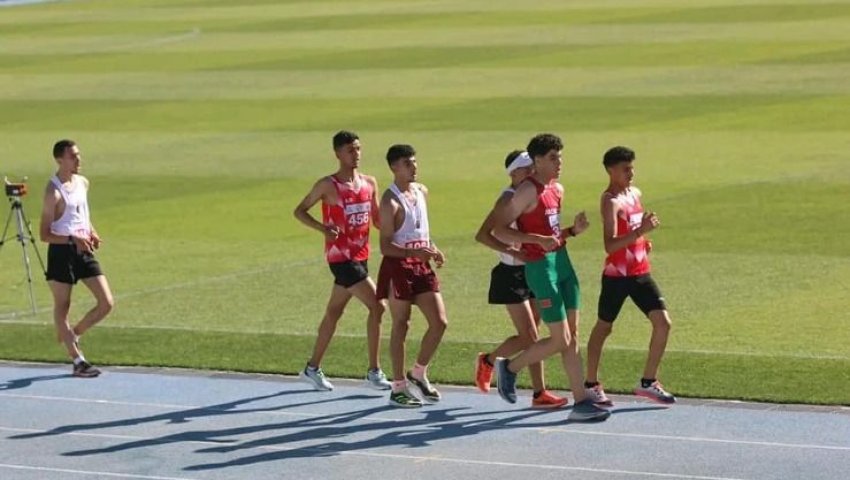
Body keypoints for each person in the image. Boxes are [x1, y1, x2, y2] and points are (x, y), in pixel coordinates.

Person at [491, 133, 610, 422]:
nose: (560, 163)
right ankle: (509, 368)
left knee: (572, 336)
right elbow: (499, 230)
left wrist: (572, 231)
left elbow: (551, 233)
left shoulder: (556, 189)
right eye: (553, 158)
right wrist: (534, 240)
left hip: (563, 262)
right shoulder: (526, 192)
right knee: (560, 339)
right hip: (541, 269)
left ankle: (580, 402)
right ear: (538, 161)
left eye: (561, 157)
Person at [292, 130, 391, 391]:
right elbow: (299, 211)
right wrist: (322, 228)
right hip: (341, 258)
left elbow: (378, 221)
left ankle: (312, 368)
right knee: (378, 306)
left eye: (358, 149)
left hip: (362, 256)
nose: (356, 154)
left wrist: (403, 226)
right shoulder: (328, 185)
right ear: (337, 153)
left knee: (334, 312)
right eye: (350, 150)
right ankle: (374, 371)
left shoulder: (369, 183)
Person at [473, 150, 567, 409]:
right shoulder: (506, 201)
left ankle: (539, 393)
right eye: (526, 169)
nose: (532, 173)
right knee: (528, 337)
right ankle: (489, 361)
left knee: (535, 337)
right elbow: (483, 235)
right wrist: (513, 252)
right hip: (511, 274)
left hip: (534, 270)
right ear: (513, 173)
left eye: (532, 168)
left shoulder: (535, 193)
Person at [583, 146, 675, 405]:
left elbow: (633, 229)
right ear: (611, 171)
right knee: (604, 327)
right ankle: (591, 383)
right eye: (626, 169)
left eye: (632, 167)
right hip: (617, 276)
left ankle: (648, 381)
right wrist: (640, 232)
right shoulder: (609, 200)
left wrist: (642, 242)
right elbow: (610, 245)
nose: (631, 173)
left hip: (640, 272)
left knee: (663, 323)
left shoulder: (635, 193)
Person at [376, 144, 447, 408]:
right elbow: (384, 246)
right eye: (407, 163)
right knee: (401, 324)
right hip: (398, 268)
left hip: (420, 265)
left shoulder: (421, 191)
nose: (414, 167)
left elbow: (419, 229)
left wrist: (433, 248)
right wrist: (412, 253)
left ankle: (418, 373)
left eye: (414, 162)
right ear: (394, 167)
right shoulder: (389, 201)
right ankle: (397, 387)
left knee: (439, 322)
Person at [39, 139, 114, 378]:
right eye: (73, 156)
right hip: (63, 251)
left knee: (106, 302)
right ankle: (77, 360)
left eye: (78, 155)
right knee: (63, 306)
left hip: (83, 248)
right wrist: (73, 239)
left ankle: (74, 334)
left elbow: (81, 212)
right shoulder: (53, 191)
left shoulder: (82, 182)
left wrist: (90, 230)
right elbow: (44, 234)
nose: (78, 159)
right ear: (60, 159)